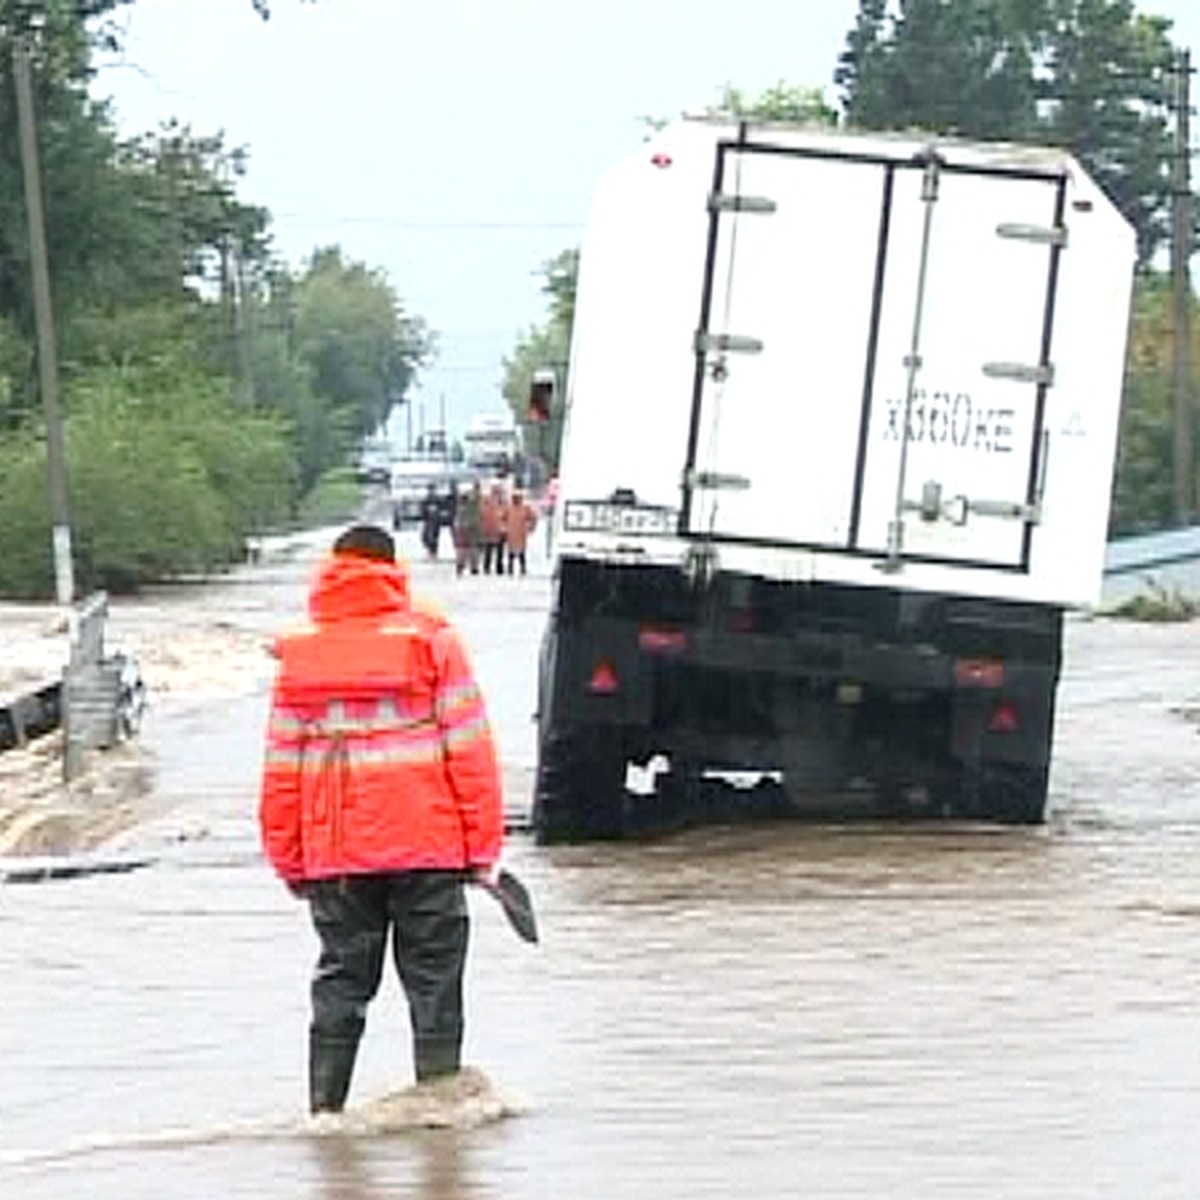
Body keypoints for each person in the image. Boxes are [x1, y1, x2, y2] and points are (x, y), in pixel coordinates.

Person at [258, 523, 504, 1114]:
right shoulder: (433, 642)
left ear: (333, 569)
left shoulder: (301, 655)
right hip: (429, 849)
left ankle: (324, 1117)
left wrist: (291, 860)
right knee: (435, 985)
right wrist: (482, 849)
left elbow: (281, 770)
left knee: (341, 982)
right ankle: (442, 1118)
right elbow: (469, 751)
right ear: (393, 571)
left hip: (334, 854)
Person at [453, 481, 483, 577]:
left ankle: (462, 566)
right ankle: (471, 566)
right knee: (470, 548)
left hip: (465, 528)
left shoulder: (461, 507)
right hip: (471, 527)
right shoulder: (474, 505)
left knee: (464, 549)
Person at [505, 489, 537, 576]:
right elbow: (501, 517)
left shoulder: (525, 508)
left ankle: (523, 569)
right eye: (514, 498)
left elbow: (533, 517)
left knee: (521, 553)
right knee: (511, 553)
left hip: (521, 533)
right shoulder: (509, 508)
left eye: (518, 498)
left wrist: (531, 527)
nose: (516, 499)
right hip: (511, 533)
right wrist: (503, 528)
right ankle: (510, 569)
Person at [480, 483, 509, 576]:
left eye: (499, 491)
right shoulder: (486, 502)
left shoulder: (504, 503)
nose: (498, 494)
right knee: (488, 549)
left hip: (500, 530)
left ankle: (498, 567)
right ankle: (487, 567)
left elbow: (507, 515)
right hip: (490, 529)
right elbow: (482, 514)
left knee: (500, 550)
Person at [419, 483, 442, 559]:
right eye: (430, 490)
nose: (432, 491)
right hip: (428, 521)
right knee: (426, 537)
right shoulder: (426, 499)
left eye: (433, 490)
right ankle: (430, 551)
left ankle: (433, 553)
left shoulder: (437, 499)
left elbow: (442, 508)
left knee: (434, 537)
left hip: (435, 521)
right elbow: (422, 510)